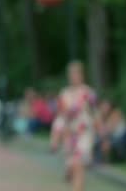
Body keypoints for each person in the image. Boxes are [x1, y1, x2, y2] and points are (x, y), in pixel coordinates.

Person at [55, 61, 97, 191]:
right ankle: (69, 173)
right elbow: (60, 116)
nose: (74, 76)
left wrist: (101, 134)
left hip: (84, 134)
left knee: (78, 166)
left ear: (82, 75)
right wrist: (56, 137)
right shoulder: (64, 94)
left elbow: (95, 113)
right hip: (69, 135)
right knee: (73, 168)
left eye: (77, 73)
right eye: (72, 74)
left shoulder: (88, 93)